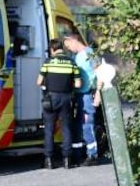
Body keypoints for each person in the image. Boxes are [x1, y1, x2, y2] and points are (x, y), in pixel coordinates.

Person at [37, 38, 80, 169]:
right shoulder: (72, 63)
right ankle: (67, 160)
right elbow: (78, 84)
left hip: (50, 98)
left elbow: (38, 82)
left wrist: (48, 84)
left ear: (52, 49)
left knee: (49, 130)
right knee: (66, 129)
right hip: (66, 98)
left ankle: (49, 160)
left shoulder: (48, 62)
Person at [64, 33, 101, 166]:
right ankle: (78, 154)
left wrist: (98, 94)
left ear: (73, 41)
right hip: (79, 95)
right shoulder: (76, 56)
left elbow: (100, 73)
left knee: (87, 124)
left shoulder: (90, 53)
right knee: (78, 125)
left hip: (87, 94)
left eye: (68, 45)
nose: (68, 49)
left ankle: (93, 155)